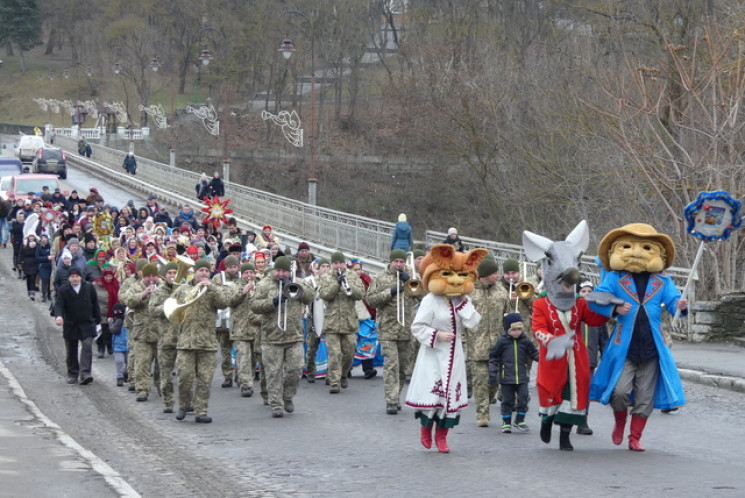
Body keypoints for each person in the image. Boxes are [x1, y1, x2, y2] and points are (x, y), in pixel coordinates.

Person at [588, 223, 688, 451]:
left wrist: (680, 305)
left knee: (645, 397)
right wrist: (614, 309)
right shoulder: (615, 278)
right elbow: (596, 298)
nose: (636, 253)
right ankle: (620, 422)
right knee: (620, 391)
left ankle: (634, 438)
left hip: (653, 346)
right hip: (624, 345)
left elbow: (674, 304)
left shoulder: (663, 281)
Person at [405, 244, 488, 453]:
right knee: (434, 395)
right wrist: (437, 335)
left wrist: (462, 304)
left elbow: (473, 323)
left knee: (450, 397)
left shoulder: (463, 300)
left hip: (455, 354)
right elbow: (417, 326)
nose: (456, 280)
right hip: (433, 354)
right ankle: (426, 428)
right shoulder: (430, 300)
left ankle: (442, 437)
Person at [171, 259, 242, 423]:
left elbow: (225, 302)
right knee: (185, 377)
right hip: (185, 342)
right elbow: (170, 307)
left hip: (207, 342)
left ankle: (201, 411)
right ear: (194, 272)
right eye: (200, 270)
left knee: (205, 379)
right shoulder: (182, 289)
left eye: (206, 271)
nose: (203, 273)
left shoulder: (212, 290)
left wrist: (212, 288)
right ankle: (183, 404)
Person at [251, 256, 313, 417]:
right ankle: (276, 404)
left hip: (294, 336)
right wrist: (274, 301)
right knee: (273, 372)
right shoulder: (264, 284)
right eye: (278, 270)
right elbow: (254, 306)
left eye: (284, 271)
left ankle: (287, 396)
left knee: (296, 369)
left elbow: (310, 297)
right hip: (271, 337)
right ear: (274, 270)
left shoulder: (297, 281)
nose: (281, 274)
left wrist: (295, 288)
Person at [366, 249, 415, 414]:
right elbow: (370, 300)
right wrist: (390, 291)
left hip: (406, 329)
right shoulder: (380, 278)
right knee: (391, 365)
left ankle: (397, 395)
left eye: (402, 262)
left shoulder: (412, 276)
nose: (399, 264)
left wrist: (410, 283)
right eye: (397, 262)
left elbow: (424, 297)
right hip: (387, 328)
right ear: (391, 262)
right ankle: (391, 400)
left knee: (402, 368)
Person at [464, 255, 510, 427]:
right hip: (477, 344)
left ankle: (488, 401)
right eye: (494, 273)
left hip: (498, 345)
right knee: (480, 380)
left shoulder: (501, 291)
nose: (498, 276)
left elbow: (508, 314)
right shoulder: (470, 292)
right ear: (485, 275)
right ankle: (482, 414)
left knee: (494, 381)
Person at [318, 251, 364, 394]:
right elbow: (324, 295)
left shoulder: (352, 276)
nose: (338, 265)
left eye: (340, 263)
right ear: (333, 264)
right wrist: (336, 285)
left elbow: (360, 294)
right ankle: (334, 381)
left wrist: (347, 285)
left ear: (344, 263)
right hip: (332, 322)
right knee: (334, 353)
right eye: (336, 263)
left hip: (349, 321)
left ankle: (344, 374)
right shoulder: (326, 277)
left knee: (349, 353)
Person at [489, 313, 539, 433]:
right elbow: (494, 358)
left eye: (519, 329)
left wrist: (545, 360)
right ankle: (506, 423)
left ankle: (520, 420)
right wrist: (492, 374)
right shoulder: (502, 342)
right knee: (507, 401)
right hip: (506, 378)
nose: (517, 332)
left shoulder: (526, 341)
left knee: (523, 398)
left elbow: (534, 354)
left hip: (522, 377)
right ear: (507, 329)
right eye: (513, 329)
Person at [119, 263, 161, 402]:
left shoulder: (163, 286)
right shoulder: (136, 286)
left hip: (161, 332)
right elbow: (127, 300)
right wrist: (143, 294)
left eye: (154, 276)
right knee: (142, 362)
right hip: (142, 331)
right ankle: (142, 389)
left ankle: (161, 387)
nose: (151, 279)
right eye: (148, 276)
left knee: (162, 364)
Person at [54, 266, 101, 385]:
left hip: (87, 322)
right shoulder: (64, 290)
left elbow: (95, 304)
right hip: (71, 324)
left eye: (77, 276)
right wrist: (59, 316)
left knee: (87, 346)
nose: (75, 279)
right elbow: (59, 305)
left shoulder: (89, 287)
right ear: (69, 278)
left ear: (81, 277)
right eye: (72, 277)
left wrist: (98, 321)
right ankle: (72, 373)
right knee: (71, 350)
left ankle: (85, 373)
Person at [575, 280, 609, 435]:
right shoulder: (572, 312)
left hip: (590, 361)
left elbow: (603, 340)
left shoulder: (598, 315)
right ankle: (566, 419)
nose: (587, 294)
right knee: (572, 391)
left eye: (590, 291)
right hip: (573, 360)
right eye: (583, 292)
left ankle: (583, 422)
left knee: (586, 391)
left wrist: (606, 358)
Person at [148, 262, 181, 412]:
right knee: (165, 374)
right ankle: (168, 402)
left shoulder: (183, 289)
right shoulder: (159, 291)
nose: (172, 276)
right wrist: (169, 307)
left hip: (183, 338)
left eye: (175, 273)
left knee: (186, 374)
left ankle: (186, 401)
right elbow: (152, 309)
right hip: (165, 337)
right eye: (170, 273)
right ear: (165, 275)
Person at [229, 262, 260, 397]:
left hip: (255, 329)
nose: (249, 275)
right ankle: (246, 385)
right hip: (240, 328)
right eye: (246, 273)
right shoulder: (235, 285)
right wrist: (243, 292)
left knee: (253, 359)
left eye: (251, 273)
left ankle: (244, 377)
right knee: (244, 357)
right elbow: (229, 301)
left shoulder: (260, 285)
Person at [212, 255, 242, 388]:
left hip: (239, 320)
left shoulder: (242, 277)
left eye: (235, 267)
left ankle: (240, 375)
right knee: (225, 350)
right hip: (223, 321)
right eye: (230, 267)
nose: (233, 270)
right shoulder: (218, 278)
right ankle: (227, 375)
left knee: (240, 350)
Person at [93, 268, 119, 358]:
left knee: (110, 330)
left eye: (110, 276)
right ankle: (101, 348)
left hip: (111, 312)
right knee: (100, 331)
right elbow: (93, 296)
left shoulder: (116, 284)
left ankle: (109, 345)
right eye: (106, 276)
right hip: (100, 311)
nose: (108, 278)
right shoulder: (97, 284)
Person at [108, 303, 129, 386]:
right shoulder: (115, 322)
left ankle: (126, 373)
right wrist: (112, 323)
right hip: (118, 346)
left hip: (128, 345)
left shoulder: (127, 320)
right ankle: (119, 377)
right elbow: (114, 330)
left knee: (129, 362)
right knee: (119, 361)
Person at [20, 233, 40, 300]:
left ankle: (32, 293)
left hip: (34, 263)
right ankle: (29, 292)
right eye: (30, 236)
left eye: (32, 236)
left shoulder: (37, 245)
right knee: (28, 278)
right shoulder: (24, 245)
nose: (31, 238)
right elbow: (21, 253)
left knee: (33, 278)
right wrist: (20, 261)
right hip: (26, 263)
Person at [36, 234, 53, 303]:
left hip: (50, 266)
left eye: (45, 238)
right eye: (42, 238)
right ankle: (44, 295)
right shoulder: (39, 247)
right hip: (43, 265)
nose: (44, 239)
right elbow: (37, 258)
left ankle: (49, 294)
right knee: (44, 280)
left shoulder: (50, 247)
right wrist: (46, 258)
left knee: (50, 280)